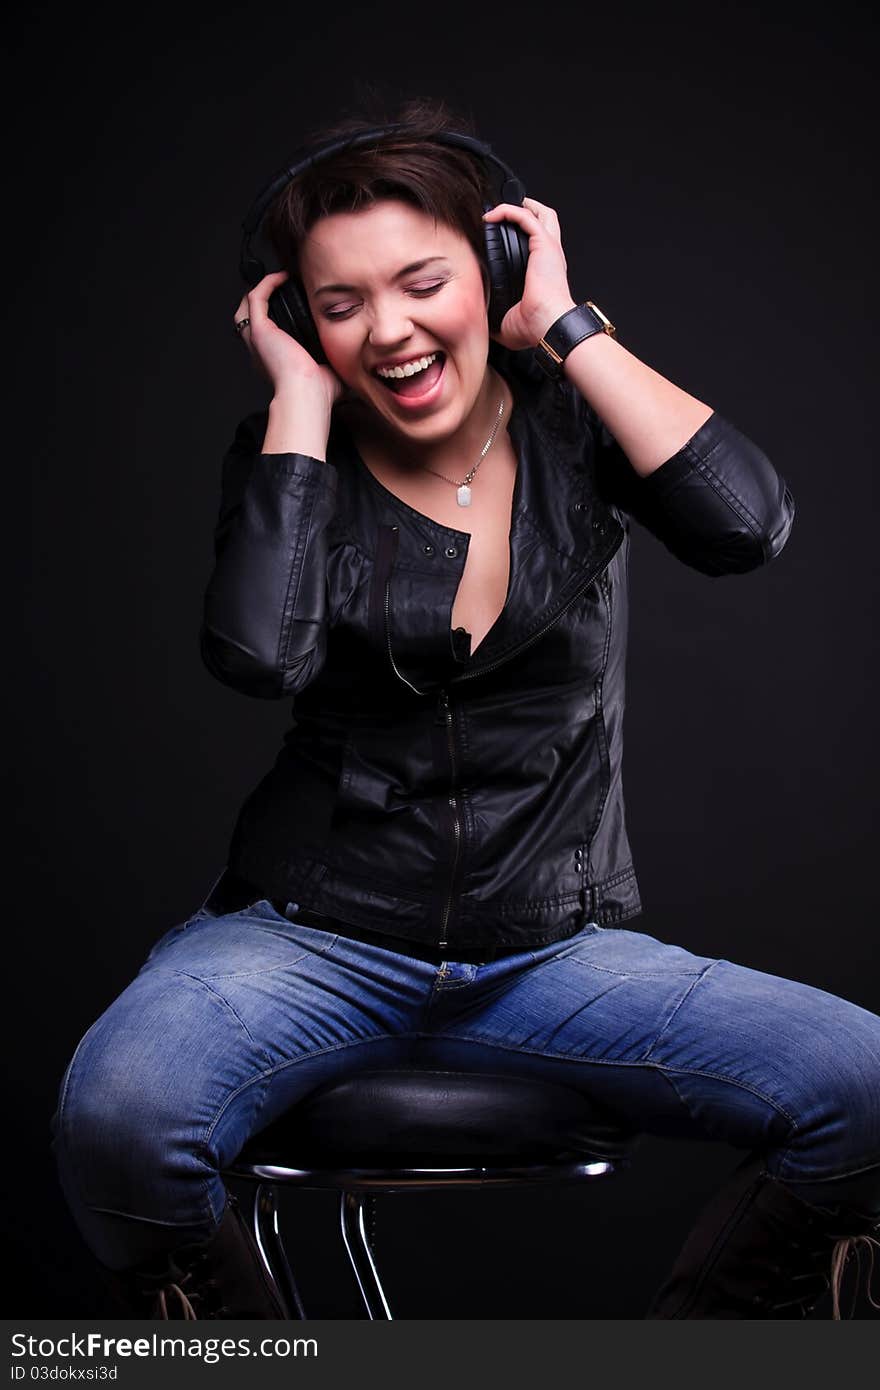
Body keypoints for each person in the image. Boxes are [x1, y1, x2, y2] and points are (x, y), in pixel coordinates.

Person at [51, 97, 880, 1321]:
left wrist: (566, 325)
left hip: (550, 951)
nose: (388, 330)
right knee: (120, 1117)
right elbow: (261, 655)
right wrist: (297, 399)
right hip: (306, 936)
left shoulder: (577, 423)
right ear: (296, 321)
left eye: (422, 281)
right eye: (338, 306)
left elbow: (748, 523)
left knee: (861, 1086)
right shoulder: (289, 453)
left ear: (488, 272)